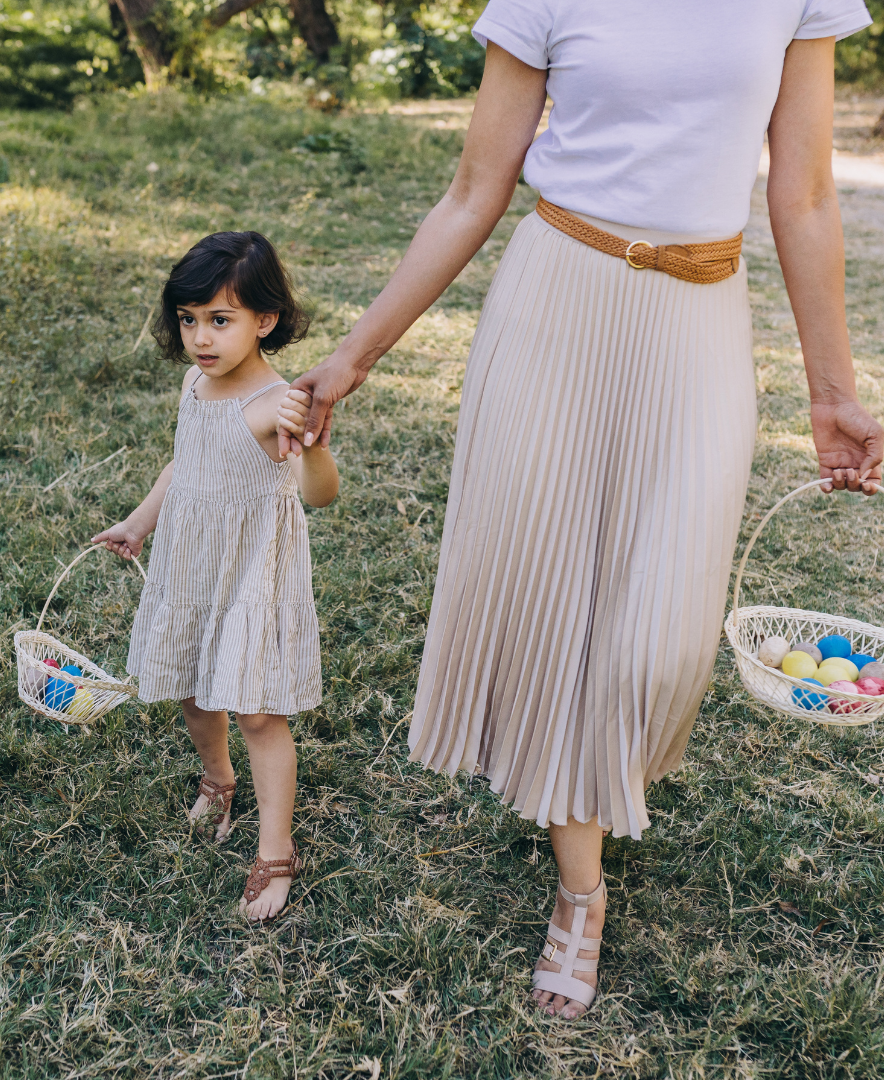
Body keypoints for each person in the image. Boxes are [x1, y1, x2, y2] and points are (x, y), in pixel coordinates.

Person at [279, 2, 883, 1016]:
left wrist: (832, 393)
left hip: (700, 324)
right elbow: (475, 187)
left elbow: (808, 191)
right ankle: (580, 889)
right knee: (559, 607)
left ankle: (588, 802)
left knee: (662, 647)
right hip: (556, 303)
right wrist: (355, 355)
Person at [94, 232, 339, 922]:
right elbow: (185, 464)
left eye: (220, 320)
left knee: (257, 709)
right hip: (191, 557)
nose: (201, 337)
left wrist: (315, 440)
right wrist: (140, 522)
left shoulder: (274, 404)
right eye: (188, 318)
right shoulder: (195, 382)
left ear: (265, 320)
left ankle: (275, 849)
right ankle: (218, 777)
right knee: (195, 689)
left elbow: (319, 495)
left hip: (253, 568)